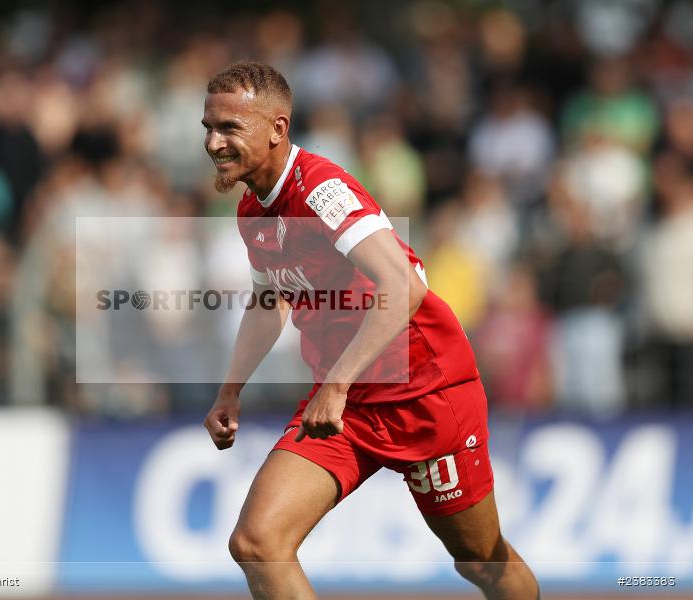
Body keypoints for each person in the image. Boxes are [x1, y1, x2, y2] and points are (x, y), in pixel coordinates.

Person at [201, 61, 540, 600]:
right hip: (349, 403)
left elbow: (404, 288)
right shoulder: (251, 209)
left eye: (229, 129)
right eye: (209, 129)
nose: (215, 142)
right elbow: (271, 299)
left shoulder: (322, 191)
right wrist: (231, 388)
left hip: (425, 391)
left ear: (277, 128)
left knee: (479, 562)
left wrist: (335, 385)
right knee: (257, 543)